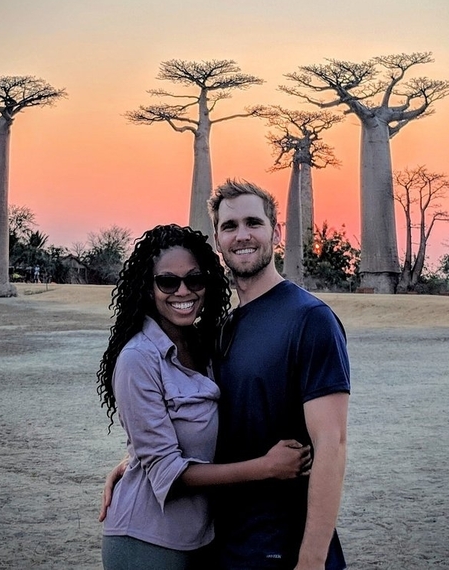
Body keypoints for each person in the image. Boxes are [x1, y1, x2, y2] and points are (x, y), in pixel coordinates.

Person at [103, 181, 351, 570]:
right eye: (230, 226)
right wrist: (135, 460)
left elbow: (332, 445)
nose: (243, 235)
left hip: (284, 543)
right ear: (218, 239)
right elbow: (212, 425)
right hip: (223, 541)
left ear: (276, 231)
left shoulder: (310, 320)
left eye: (253, 222)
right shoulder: (221, 330)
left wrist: (312, 559)